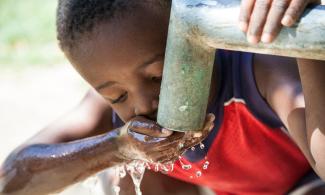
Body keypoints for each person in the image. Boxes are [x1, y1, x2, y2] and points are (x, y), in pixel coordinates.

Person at [1, 0, 325, 194]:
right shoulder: (120, 108)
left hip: (305, 183)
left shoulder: (257, 67)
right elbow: (12, 178)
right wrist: (118, 147)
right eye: (116, 95)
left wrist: (307, 45)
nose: (142, 105)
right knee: (127, 171)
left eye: (158, 75)